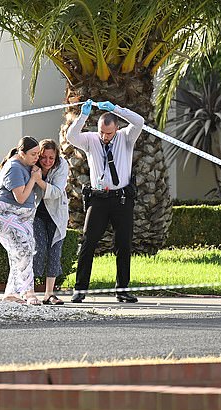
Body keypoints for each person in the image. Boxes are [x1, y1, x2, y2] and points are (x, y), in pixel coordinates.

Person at [65, 99, 144, 303]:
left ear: (116, 128)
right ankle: (80, 289)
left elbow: (139, 121)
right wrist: (82, 116)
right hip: (98, 199)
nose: (104, 136)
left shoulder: (126, 138)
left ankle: (122, 290)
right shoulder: (91, 140)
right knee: (88, 242)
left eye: (108, 133)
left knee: (123, 244)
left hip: (122, 199)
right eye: (101, 132)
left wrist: (117, 109)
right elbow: (71, 136)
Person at [0, 136, 43, 305]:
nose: (37, 158)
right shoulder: (14, 167)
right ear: (22, 153)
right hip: (6, 215)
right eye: (33, 154)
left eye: (38, 154)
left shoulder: (25, 165)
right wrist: (34, 179)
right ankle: (28, 292)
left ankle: (11, 293)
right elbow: (20, 197)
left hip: (23, 217)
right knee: (23, 249)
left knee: (20, 253)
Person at [32, 139, 69, 305]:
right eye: (43, 157)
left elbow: (56, 192)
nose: (47, 161)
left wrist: (39, 181)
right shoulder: (31, 165)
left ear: (56, 158)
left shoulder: (62, 166)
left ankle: (49, 294)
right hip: (36, 214)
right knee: (37, 249)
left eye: (51, 158)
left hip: (56, 214)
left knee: (55, 251)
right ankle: (29, 292)